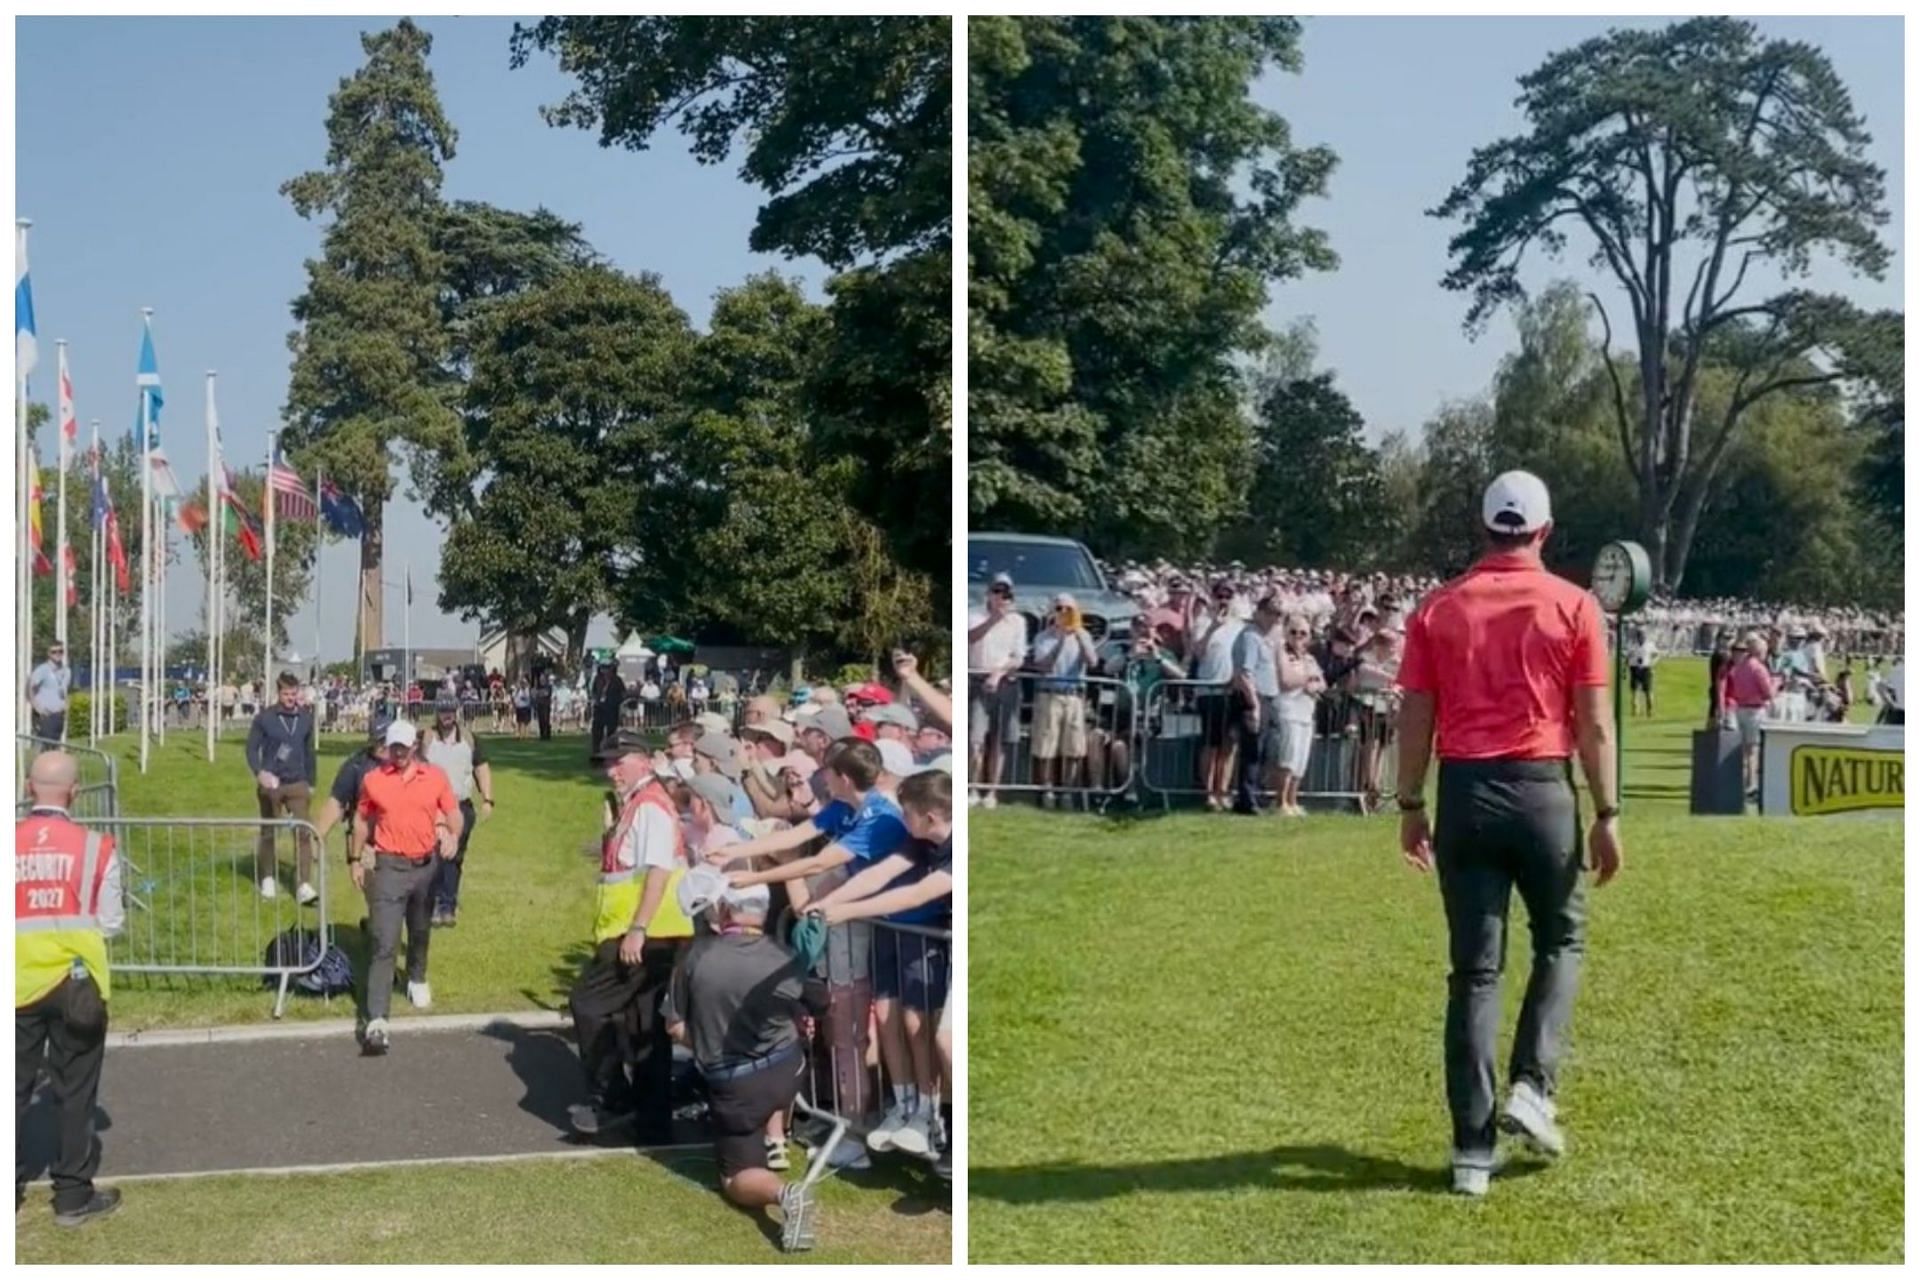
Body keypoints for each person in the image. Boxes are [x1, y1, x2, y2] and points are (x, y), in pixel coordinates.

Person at [1393, 470, 1622, 1198]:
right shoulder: (1575, 605)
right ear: (1545, 532)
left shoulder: (1437, 608)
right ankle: (1534, 1082)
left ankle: (1471, 1149)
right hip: (1542, 788)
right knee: (1560, 940)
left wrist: (1409, 803)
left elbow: (1415, 718)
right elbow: (1593, 723)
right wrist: (1609, 813)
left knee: (1474, 972)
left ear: (1485, 527)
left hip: (1463, 789)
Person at [663, 868, 825, 1253]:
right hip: (788, 1069)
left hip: (736, 1086)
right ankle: (776, 1137)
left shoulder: (695, 958)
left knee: (736, 1179)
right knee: (779, 1059)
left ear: (724, 909)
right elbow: (816, 1001)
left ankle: (785, 1192)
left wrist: (704, 1041)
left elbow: (674, 1027)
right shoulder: (783, 956)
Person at [807, 768, 954, 1174]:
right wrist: (830, 901)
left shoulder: (959, 846)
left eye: (906, 812)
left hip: (935, 944)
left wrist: (844, 910)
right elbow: (880, 874)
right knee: (890, 1018)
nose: (899, 818)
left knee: (921, 1027)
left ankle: (929, 1115)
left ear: (929, 816)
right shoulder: (919, 840)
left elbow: (917, 892)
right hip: (902, 937)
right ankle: (905, 1106)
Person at [567, 729, 696, 1143]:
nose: (611, 771)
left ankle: (612, 1095)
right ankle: (653, 1118)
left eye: (617, 762)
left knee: (587, 1003)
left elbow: (658, 871)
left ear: (642, 760)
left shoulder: (650, 807)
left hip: (643, 931)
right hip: (648, 930)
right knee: (644, 1024)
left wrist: (637, 929)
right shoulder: (638, 804)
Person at [16, 751, 124, 1226]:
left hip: (16, 982)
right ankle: (72, 1196)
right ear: (75, 793)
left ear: (27, 787)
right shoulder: (96, 847)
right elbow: (112, 922)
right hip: (76, 983)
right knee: (76, 1089)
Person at [350, 720, 462, 1055]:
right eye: (393, 746)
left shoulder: (435, 776)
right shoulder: (373, 780)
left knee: (420, 929)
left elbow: (453, 811)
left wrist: (452, 834)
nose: (398, 752)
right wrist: (355, 858)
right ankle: (377, 1020)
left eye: (404, 746)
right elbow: (360, 819)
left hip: (425, 866)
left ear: (415, 746)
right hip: (388, 867)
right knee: (384, 941)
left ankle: (416, 976)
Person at [246, 672, 319, 904]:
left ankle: (304, 884)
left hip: (297, 782)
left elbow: (310, 752)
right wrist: (260, 773)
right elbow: (251, 749)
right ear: (278, 693)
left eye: (294, 693)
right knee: (269, 831)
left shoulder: (306, 718)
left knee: (303, 833)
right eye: (286, 694)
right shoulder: (265, 718)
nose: (290, 698)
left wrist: (312, 781)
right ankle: (267, 877)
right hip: (272, 783)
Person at [422, 695, 495, 927]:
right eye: (443, 711)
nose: (447, 716)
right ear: (437, 713)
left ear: (457, 713)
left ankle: (448, 905)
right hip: (432, 808)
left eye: (451, 711)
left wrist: (487, 799)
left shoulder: (470, 740)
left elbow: (482, 768)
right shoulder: (426, 738)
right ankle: (431, 903)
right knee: (433, 858)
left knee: (454, 858)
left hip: (460, 807)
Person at [1027, 593, 1099, 810]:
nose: (1064, 613)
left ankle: (1067, 791)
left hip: (1074, 695)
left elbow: (1092, 662)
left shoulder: (1083, 635)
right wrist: (1060, 640)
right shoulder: (1043, 637)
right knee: (1046, 746)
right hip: (1049, 694)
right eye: (1059, 608)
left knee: (1073, 748)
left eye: (1068, 609)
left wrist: (1077, 635)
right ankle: (1047, 791)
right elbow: (1044, 665)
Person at [966, 572, 1028, 808]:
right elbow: (969, 638)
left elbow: (1018, 657)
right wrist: (993, 619)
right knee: (976, 740)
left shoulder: (1018, 622)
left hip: (1004, 682)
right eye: (997, 592)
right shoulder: (974, 615)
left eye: (1006, 593)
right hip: (977, 679)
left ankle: (991, 792)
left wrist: (998, 673)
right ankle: (972, 788)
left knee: (999, 741)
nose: (1001, 597)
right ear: (989, 593)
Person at [1190, 580, 1246, 811]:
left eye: (1228, 596)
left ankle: (1223, 790)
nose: (1223, 600)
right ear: (1212, 598)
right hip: (1210, 689)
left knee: (1229, 744)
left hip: (1232, 690)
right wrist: (1213, 627)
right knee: (1211, 744)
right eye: (1219, 596)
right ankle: (1209, 792)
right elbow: (1198, 652)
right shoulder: (1202, 622)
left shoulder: (1240, 625)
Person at [1228, 595, 1284, 816]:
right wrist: (1254, 706)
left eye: (1279, 614)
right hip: (1254, 698)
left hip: (1268, 697)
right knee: (1253, 751)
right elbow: (1244, 674)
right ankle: (1247, 799)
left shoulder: (1265, 637)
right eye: (1271, 612)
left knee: (1266, 751)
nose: (1275, 618)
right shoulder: (1250, 637)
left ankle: (1255, 795)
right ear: (1259, 612)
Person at [1273, 614, 1326, 818]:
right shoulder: (1282, 653)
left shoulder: (1309, 658)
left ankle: (1293, 800)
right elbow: (1286, 681)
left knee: (1300, 762)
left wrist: (1311, 682)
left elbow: (1322, 683)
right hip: (1288, 710)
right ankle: (1281, 802)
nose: (1298, 636)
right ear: (1286, 632)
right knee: (1288, 758)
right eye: (1293, 632)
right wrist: (1306, 680)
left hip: (1306, 711)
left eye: (1303, 633)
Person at [1726, 635, 1779, 800]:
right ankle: (1751, 784)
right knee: (1752, 750)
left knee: (1741, 750)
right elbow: (1768, 693)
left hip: (1739, 708)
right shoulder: (1758, 668)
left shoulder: (1738, 667)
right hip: (1755, 710)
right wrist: (1776, 683)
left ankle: (1737, 784)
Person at [25, 642, 71, 743]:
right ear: (49, 654)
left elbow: (63, 690)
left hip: (59, 715)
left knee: (55, 747)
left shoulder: (66, 671)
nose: (58, 654)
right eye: (54, 652)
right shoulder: (43, 670)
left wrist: (66, 704)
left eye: (60, 651)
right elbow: (29, 688)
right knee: (46, 748)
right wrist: (37, 707)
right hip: (46, 716)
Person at [1628, 628, 1657, 718]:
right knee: (1635, 691)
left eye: (1643, 635)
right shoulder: (1633, 645)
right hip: (1635, 668)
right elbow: (1628, 656)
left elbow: (1657, 654)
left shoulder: (1649, 645)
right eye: (1639, 635)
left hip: (1646, 668)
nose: (1641, 637)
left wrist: (1652, 663)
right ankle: (1635, 711)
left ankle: (1650, 711)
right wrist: (1628, 663)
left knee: (1648, 691)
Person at [534, 671, 554, 741]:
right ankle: (542, 735)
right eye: (540, 679)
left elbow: (546, 694)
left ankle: (547, 735)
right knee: (541, 721)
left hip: (546, 706)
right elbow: (536, 695)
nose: (541, 680)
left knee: (546, 720)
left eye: (542, 678)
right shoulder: (538, 687)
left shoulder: (548, 686)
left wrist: (539, 694)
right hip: (540, 706)